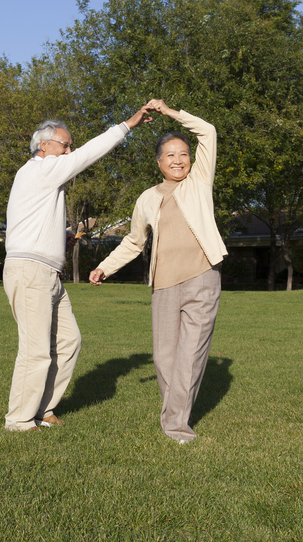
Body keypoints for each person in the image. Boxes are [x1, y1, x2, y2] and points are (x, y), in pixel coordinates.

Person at [4, 107, 154, 432]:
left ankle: (42, 409)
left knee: (69, 341)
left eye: (70, 146)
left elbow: (31, 224)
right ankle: (18, 420)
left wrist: (63, 238)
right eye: (65, 145)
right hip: (31, 273)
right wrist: (128, 124)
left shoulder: (41, 178)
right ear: (43, 146)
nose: (69, 151)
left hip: (47, 275)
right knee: (36, 349)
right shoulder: (41, 169)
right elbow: (89, 154)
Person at [89, 99, 227, 443]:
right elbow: (134, 242)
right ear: (159, 162)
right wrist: (105, 267)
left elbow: (207, 131)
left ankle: (176, 426)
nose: (179, 160)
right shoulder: (147, 198)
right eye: (171, 155)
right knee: (165, 357)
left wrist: (171, 113)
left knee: (191, 354)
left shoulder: (199, 181)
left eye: (183, 153)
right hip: (164, 284)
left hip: (202, 276)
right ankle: (174, 414)